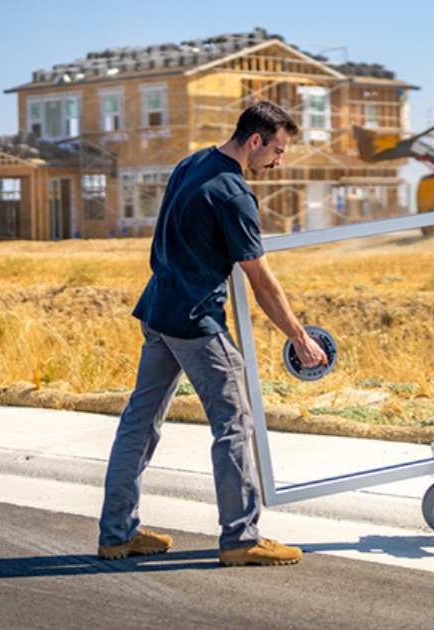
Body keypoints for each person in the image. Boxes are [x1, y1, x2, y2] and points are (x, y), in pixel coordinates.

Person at [97, 101, 327, 567]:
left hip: (159, 310)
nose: (280, 162)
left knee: (138, 425)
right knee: (235, 424)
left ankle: (117, 534)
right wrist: (301, 339)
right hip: (195, 322)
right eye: (278, 152)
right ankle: (241, 538)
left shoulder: (192, 163)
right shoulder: (234, 193)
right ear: (256, 140)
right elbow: (260, 280)